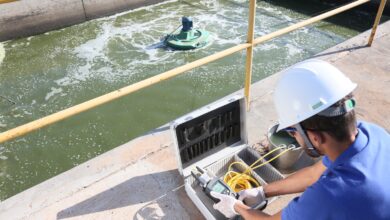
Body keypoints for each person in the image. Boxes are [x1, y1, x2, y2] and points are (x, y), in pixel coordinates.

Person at [211, 59, 390, 219]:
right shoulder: (373, 134)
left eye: (292, 131)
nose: (294, 138)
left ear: (315, 137)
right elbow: (314, 174)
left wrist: (237, 207)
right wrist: (263, 191)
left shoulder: (329, 196)